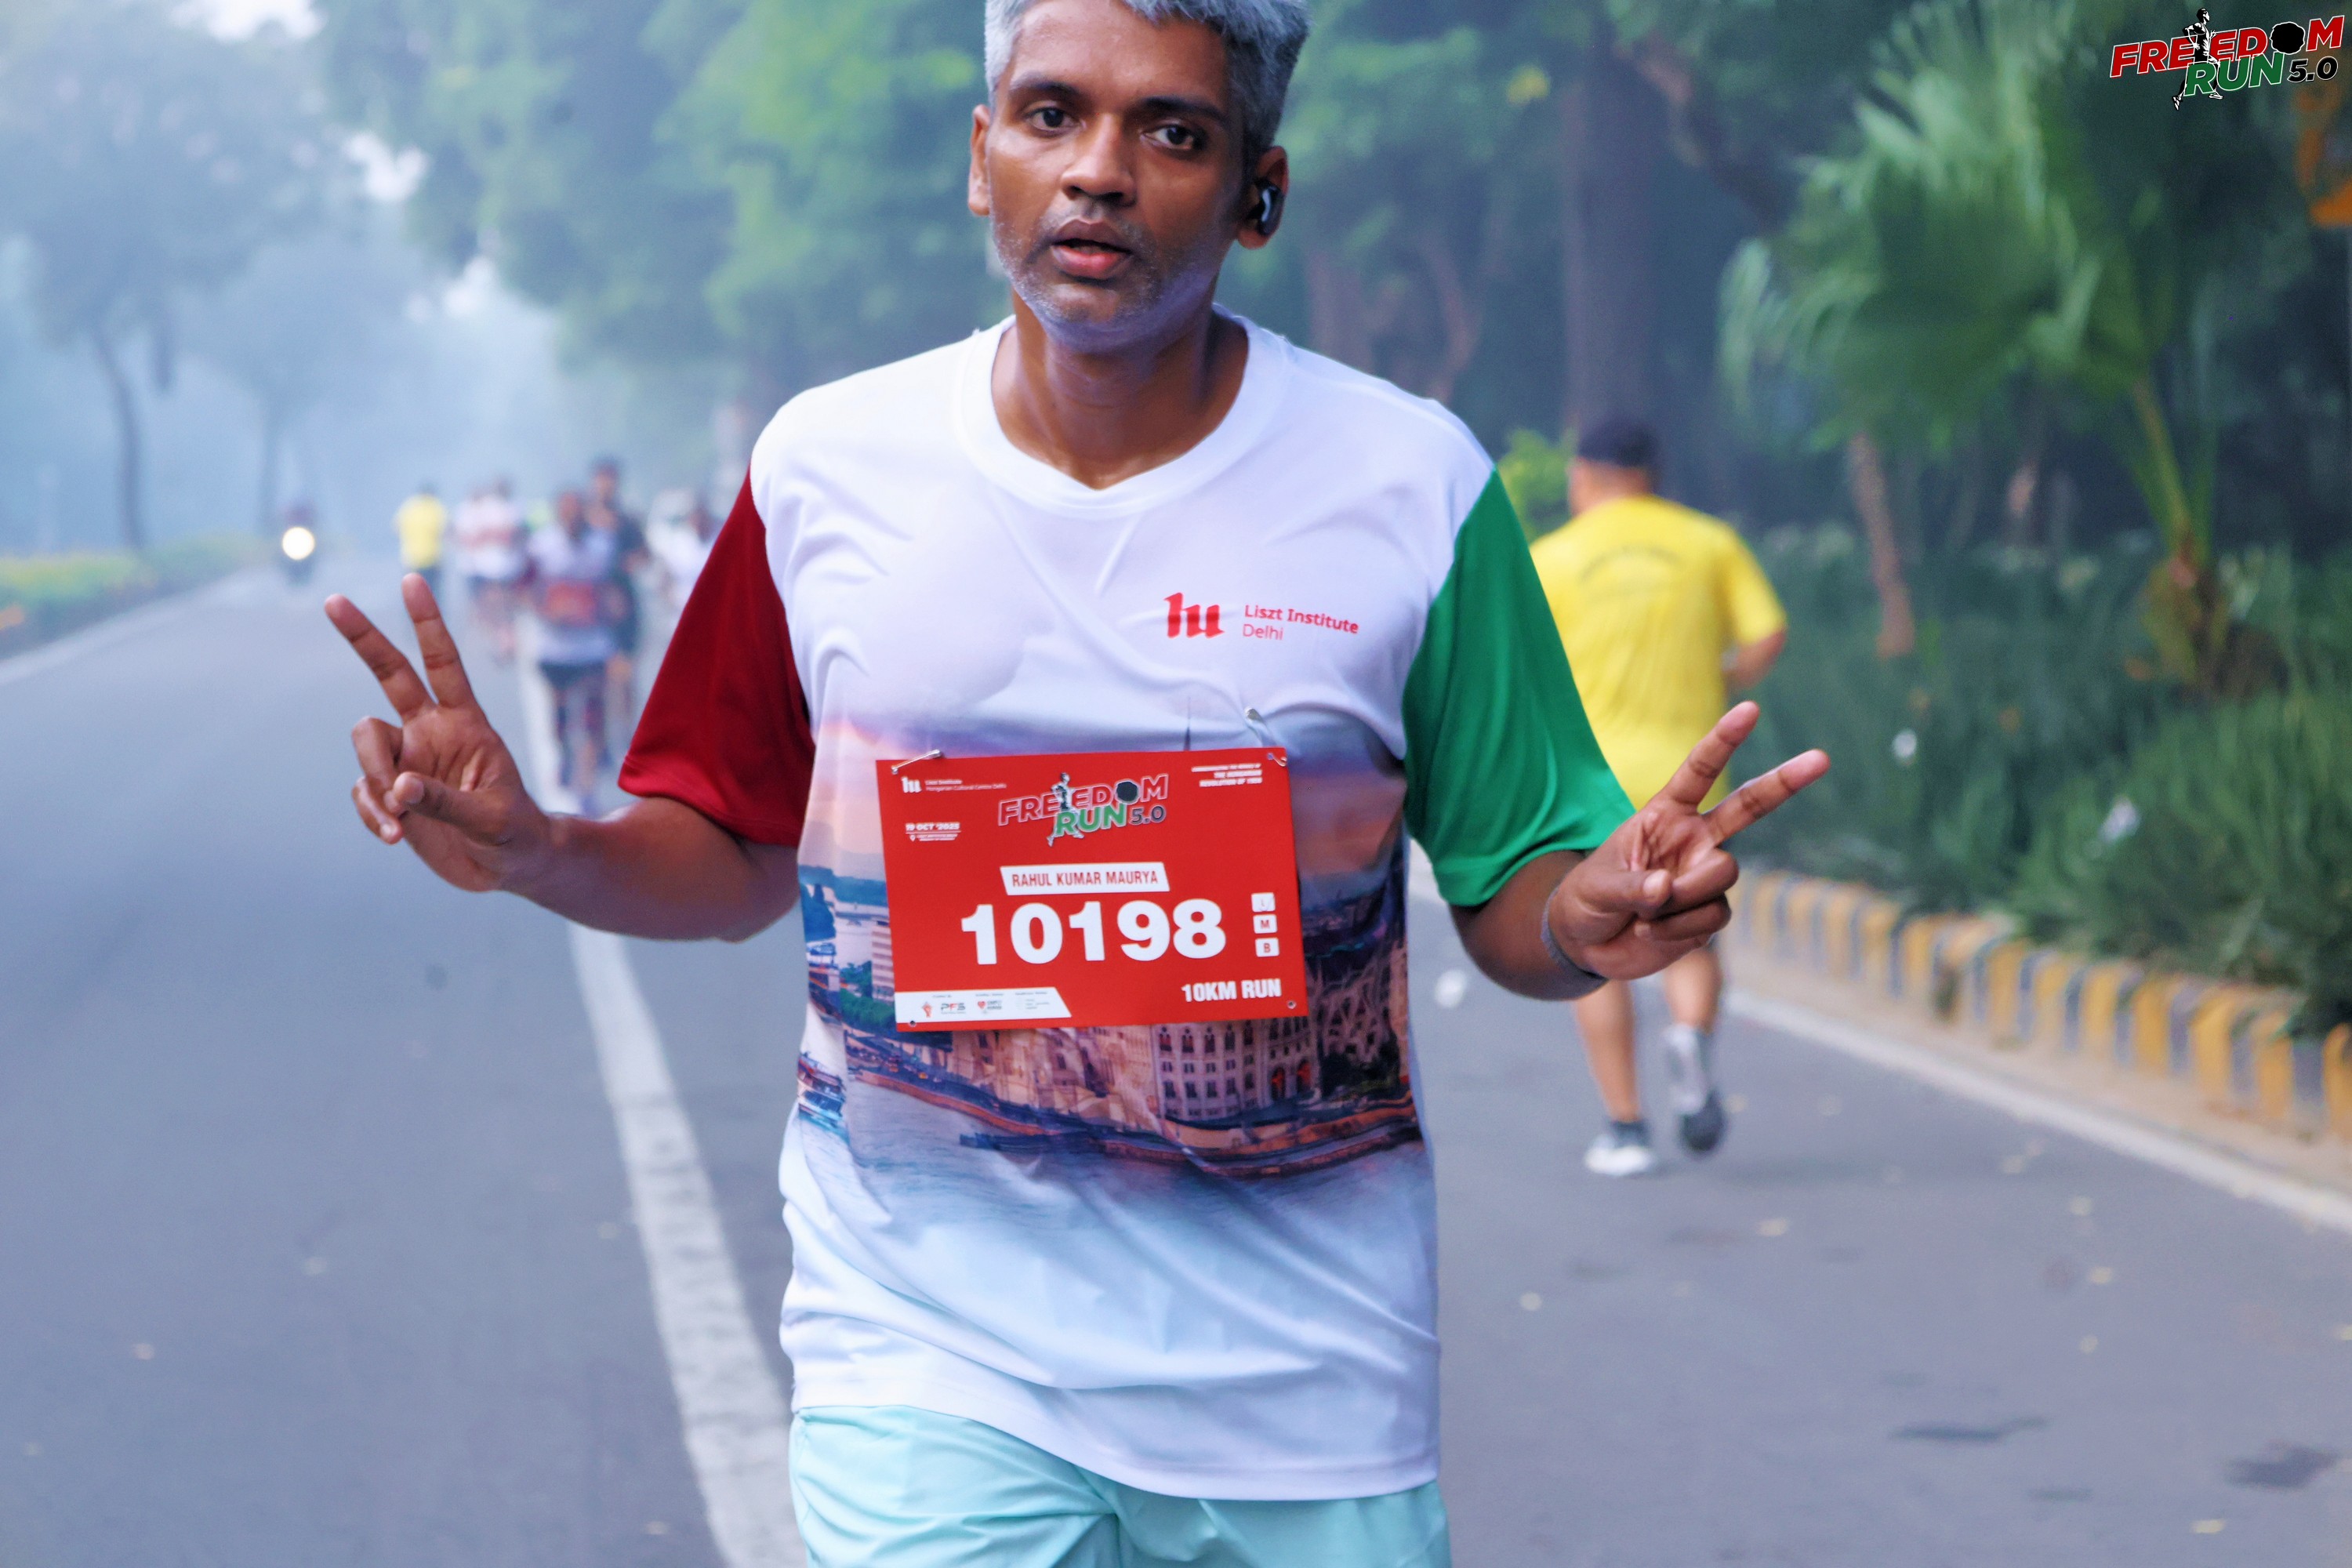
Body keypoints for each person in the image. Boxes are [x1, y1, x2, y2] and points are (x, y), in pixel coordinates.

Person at [324, 2, 1826, 1560]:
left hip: (1305, 1387)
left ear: (1258, 192)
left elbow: (1519, 888)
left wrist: (1588, 919)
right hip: (924, 1358)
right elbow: (730, 841)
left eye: (1172, 131)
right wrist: (540, 847)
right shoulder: (825, 468)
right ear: (983, 159)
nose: (1099, 170)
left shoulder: (1412, 485)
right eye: (1052, 116)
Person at [1530, 417, 1791, 1178]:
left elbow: (1521, 671)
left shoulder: (1551, 556)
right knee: (1690, 932)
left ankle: (1625, 1127)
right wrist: (1723, 677)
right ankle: (1690, 1034)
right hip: (1688, 776)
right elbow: (1767, 635)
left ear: (1582, 475)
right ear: (1654, 473)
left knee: (1592, 951)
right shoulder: (1708, 542)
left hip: (1588, 783)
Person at [523, 489, 621, 807]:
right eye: (566, 512)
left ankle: (587, 779)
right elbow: (525, 588)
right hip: (555, 648)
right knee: (561, 713)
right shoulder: (541, 547)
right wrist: (548, 610)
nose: (572, 518)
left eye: (577, 512)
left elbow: (616, 589)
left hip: (593, 645)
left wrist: (610, 606)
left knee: (593, 711)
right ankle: (565, 755)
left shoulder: (603, 545)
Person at [586, 457, 652, 728]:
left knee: (624, 673)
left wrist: (622, 564)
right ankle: (598, 734)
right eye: (602, 479)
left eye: (610, 480)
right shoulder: (584, 520)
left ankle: (628, 731)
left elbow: (644, 555)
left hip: (623, 604)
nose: (606, 486)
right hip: (592, 607)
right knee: (595, 679)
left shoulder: (626, 521)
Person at [453, 478, 526, 663]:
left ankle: (506, 642)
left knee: (501, 609)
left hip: (503, 569)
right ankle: (503, 641)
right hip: (487, 569)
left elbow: (509, 535)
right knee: (493, 609)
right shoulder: (483, 508)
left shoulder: (511, 507)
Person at [392, 484, 448, 598]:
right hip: (432, 558)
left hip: (412, 559)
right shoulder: (435, 507)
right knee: (433, 593)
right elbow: (444, 531)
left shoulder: (409, 507)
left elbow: (396, 529)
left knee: (414, 594)